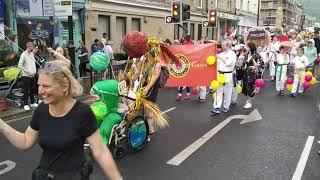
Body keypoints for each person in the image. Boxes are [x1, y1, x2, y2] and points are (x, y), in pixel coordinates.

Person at [0, 60, 123, 180]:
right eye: (39, 85)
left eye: (46, 86)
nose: (40, 91)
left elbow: (100, 151)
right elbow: (25, 142)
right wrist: (1, 125)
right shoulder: (41, 110)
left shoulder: (82, 112)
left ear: (65, 86)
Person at [211, 40, 237, 114]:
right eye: (222, 45)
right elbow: (217, 65)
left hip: (228, 75)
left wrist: (220, 58)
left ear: (228, 45)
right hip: (220, 75)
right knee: (218, 91)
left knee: (227, 92)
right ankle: (216, 107)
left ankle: (226, 106)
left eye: (224, 45)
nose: (222, 46)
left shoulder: (232, 54)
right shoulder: (221, 54)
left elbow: (228, 64)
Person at [141, 47, 161, 141]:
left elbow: (154, 78)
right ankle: (150, 128)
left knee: (149, 109)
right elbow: (140, 74)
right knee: (143, 109)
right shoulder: (145, 63)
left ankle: (148, 131)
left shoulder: (157, 65)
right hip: (143, 87)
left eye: (147, 54)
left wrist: (147, 89)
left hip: (152, 89)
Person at [240, 43, 264, 109]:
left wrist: (257, 66)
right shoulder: (246, 55)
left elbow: (262, 63)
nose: (246, 48)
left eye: (247, 47)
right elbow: (243, 63)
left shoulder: (257, 55)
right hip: (246, 72)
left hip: (253, 73)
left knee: (252, 87)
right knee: (246, 86)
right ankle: (248, 100)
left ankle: (249, 102)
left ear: (251, 47)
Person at [18, 42, 38, 111]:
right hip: (26, 76)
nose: (34, 48)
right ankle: (26, 104)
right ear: (29, 47)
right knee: (26, 91)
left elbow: (32, 63)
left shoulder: (32, 54)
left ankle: (32, 102)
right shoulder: (23, 54)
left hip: (33, 75)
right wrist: (27, 71)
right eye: (33, 46)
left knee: (33, 90)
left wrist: (34, 71)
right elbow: (20, 65)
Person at [176, 34, 193, 101]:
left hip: (187, 63)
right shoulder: (188, 43)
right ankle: (183, 95)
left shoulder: (188, 43)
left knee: (184, 80)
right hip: (186, 63)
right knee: (184, 80)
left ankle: (184, 95)